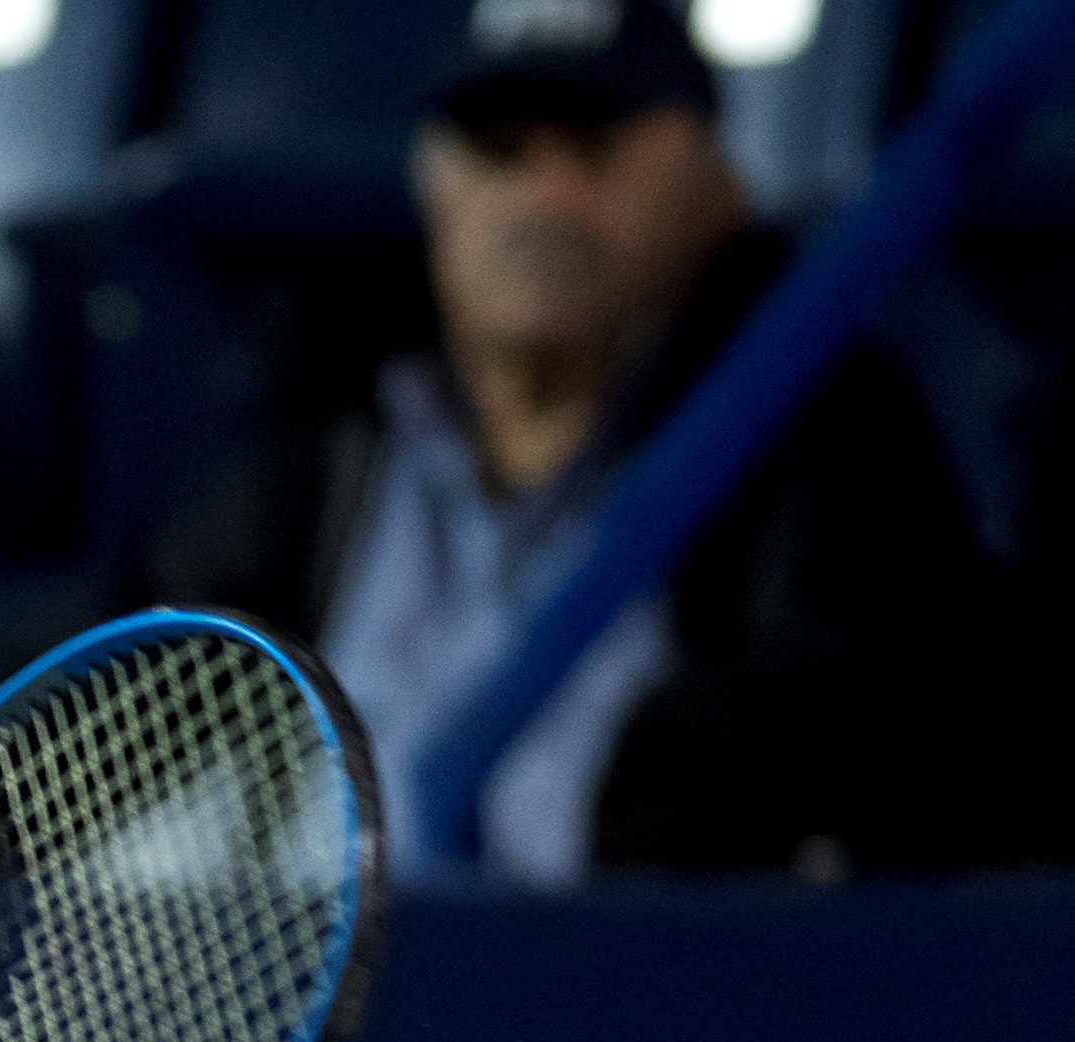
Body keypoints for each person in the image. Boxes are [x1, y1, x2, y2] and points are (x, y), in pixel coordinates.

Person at [130, 0, 1033, 881]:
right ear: (435, 191)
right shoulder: (312, 480)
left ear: (717, 191)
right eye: (501, 152)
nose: (545, 197)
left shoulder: (819, 459)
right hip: (351, 1016)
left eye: (596, 150)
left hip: (640, 1009)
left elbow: (914, 732)